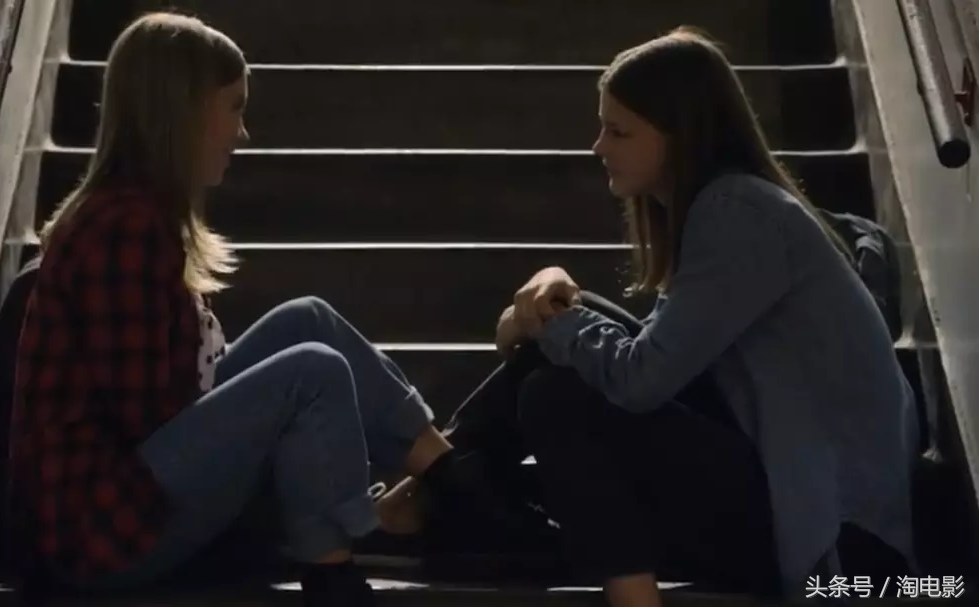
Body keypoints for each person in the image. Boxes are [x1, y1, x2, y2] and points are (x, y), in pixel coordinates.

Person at [377, 27, 919, 607]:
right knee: (569, 345)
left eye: (619, 131)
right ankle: (438, 491)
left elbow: (641, 379)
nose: (598, 147)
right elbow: (646, 360)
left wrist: (541, 316)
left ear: (680, 136)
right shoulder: (730, 207)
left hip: (830, 546)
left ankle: (446, 500)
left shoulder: (739, 213)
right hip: (783, 500)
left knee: (559, 393)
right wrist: (548, 295)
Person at [7, 12, 530, 607]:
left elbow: (179, 402)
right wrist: (275, 437)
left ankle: (453, 481)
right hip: (101, 529)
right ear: (181, 113)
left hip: (133, 493)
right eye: (232, 109)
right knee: (310, 371)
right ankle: (340, 565)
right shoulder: (123, 229)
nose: (242, 132)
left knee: (308, 319)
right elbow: (151, 420)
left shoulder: (137, 214)